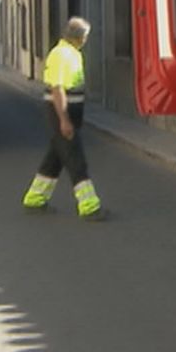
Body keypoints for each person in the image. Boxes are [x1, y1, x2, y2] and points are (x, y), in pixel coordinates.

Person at [22, 16, 107, 221]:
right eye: (85, 36)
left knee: (56, 158)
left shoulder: (72, 53)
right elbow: (57, 88)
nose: (86, 40)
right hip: (61, 111)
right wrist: (64, 120)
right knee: (76, 159)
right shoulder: (60, 55)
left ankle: (35, 198)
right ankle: (89, 205)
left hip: (69, 112)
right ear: (78, 37)